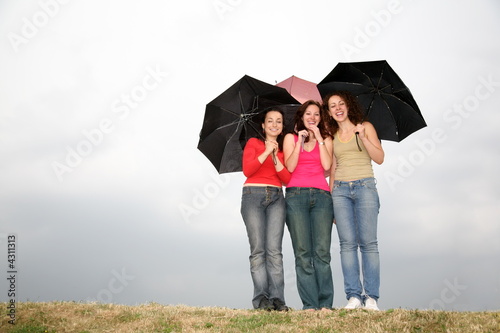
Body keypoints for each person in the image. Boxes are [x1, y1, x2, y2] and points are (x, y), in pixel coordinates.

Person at [324, 91, 385, 311]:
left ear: (348, 106)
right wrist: (331, 198)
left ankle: (371, 298)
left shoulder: (365, 127)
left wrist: (363, 137)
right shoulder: (331, 135)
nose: (337, 108)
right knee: (346, 244)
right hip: (340, 190)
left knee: (369, 243)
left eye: (341, 103)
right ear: (329, 112)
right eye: (332, 106)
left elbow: (379, 158)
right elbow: (332, 169)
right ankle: (354, 296)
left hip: (365, 187)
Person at [283, 100, 334, 311]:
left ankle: (325, 304)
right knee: (302, 252)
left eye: (316, 114)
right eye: (308, 114)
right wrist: (299, 143)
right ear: (301, 116)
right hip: (296, 196)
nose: (312, 117)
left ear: (321, 118)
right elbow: (290, 166)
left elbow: (327, 166)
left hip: (322, 197)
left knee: (321, 252)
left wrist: (320, 138)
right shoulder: (290, 138)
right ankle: (309, 305)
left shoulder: (327, 139)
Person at [241, 107, 291, 311]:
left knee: (275, 252)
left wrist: (276, 156)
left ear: (282, 127)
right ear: (263, 125)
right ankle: (261, 299)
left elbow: (287, 179)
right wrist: (266, 151)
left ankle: (278, 299)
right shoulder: (254, 143)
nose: (274, 124)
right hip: (253, 195)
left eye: (278, 121)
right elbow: (248, 169)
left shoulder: (284, 150)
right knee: (258, 251)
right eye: (270, 121)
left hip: (277, 197)